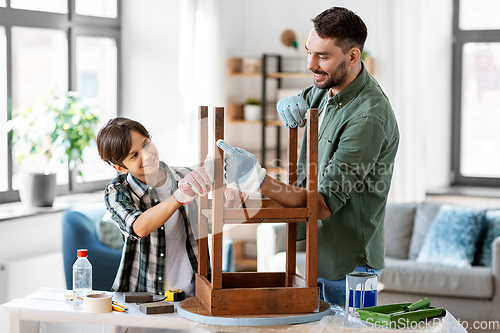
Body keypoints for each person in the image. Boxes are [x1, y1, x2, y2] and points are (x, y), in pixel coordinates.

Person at [217, 6, 399, 306]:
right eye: (308, 52)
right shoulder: (328, 88)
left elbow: (324, 203)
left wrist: (256, 178)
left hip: (351, 266)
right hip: (320, 255)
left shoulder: (368, 118)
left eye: (323, 56)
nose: (310, 64)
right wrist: (293, 100)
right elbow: (305, 97)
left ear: (353, 57)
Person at [96, 117, 214, 296]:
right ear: (120, 168)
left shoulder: (186, 175)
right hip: (144, 297)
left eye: (146, 144)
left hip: (195, 295)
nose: (147, 155)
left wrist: (232, 194)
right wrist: (179, 196)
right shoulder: (117, 192)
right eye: (134, 155)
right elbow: (139, 227)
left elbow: (208, 221)